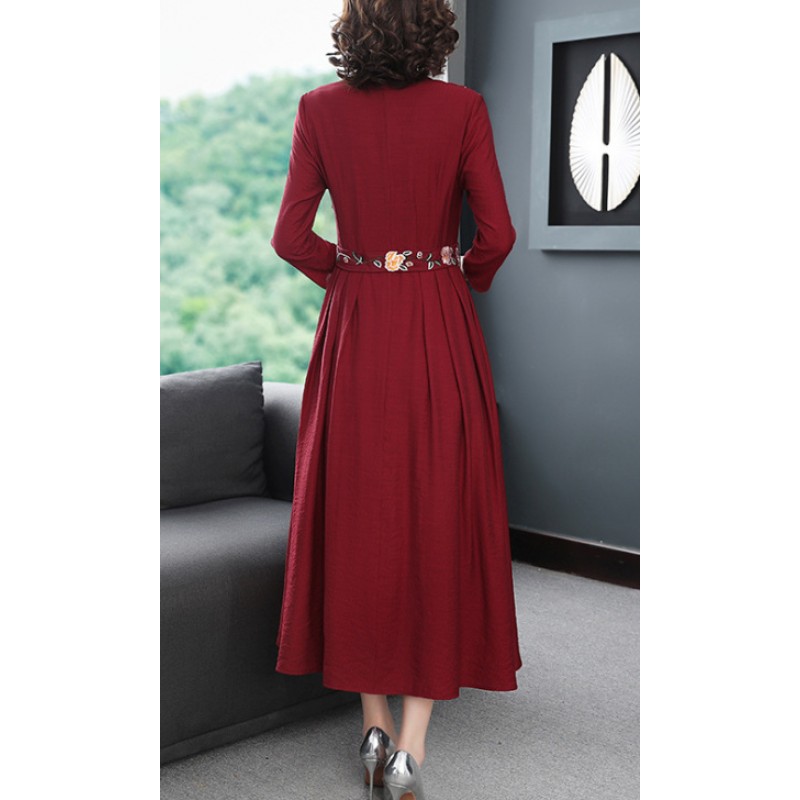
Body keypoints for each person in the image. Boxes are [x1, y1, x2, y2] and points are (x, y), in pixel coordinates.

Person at [270, 1, 522, 797]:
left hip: (354, 328)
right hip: (437, 321)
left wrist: (350, 274)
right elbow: (498, 236)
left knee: (357, 515)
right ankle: (412, 744)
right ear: (432, 25)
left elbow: (289, 237)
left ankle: (372, 725)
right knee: (435, 511)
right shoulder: (462, 108)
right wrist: (452, 277)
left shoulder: (318, 110)